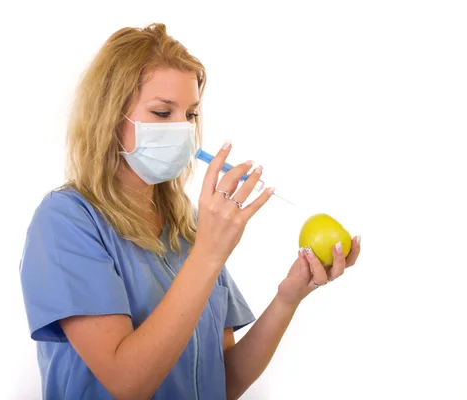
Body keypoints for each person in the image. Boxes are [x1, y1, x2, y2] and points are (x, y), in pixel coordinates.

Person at [18, 22, 361, 400]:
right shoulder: (65, 222)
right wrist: (210, 253)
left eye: (191, 115)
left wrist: (289, 296)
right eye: (163, 113)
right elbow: (127, 384)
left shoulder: (186, 228)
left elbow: (225, 381)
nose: (182, 129)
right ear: (110, 118)